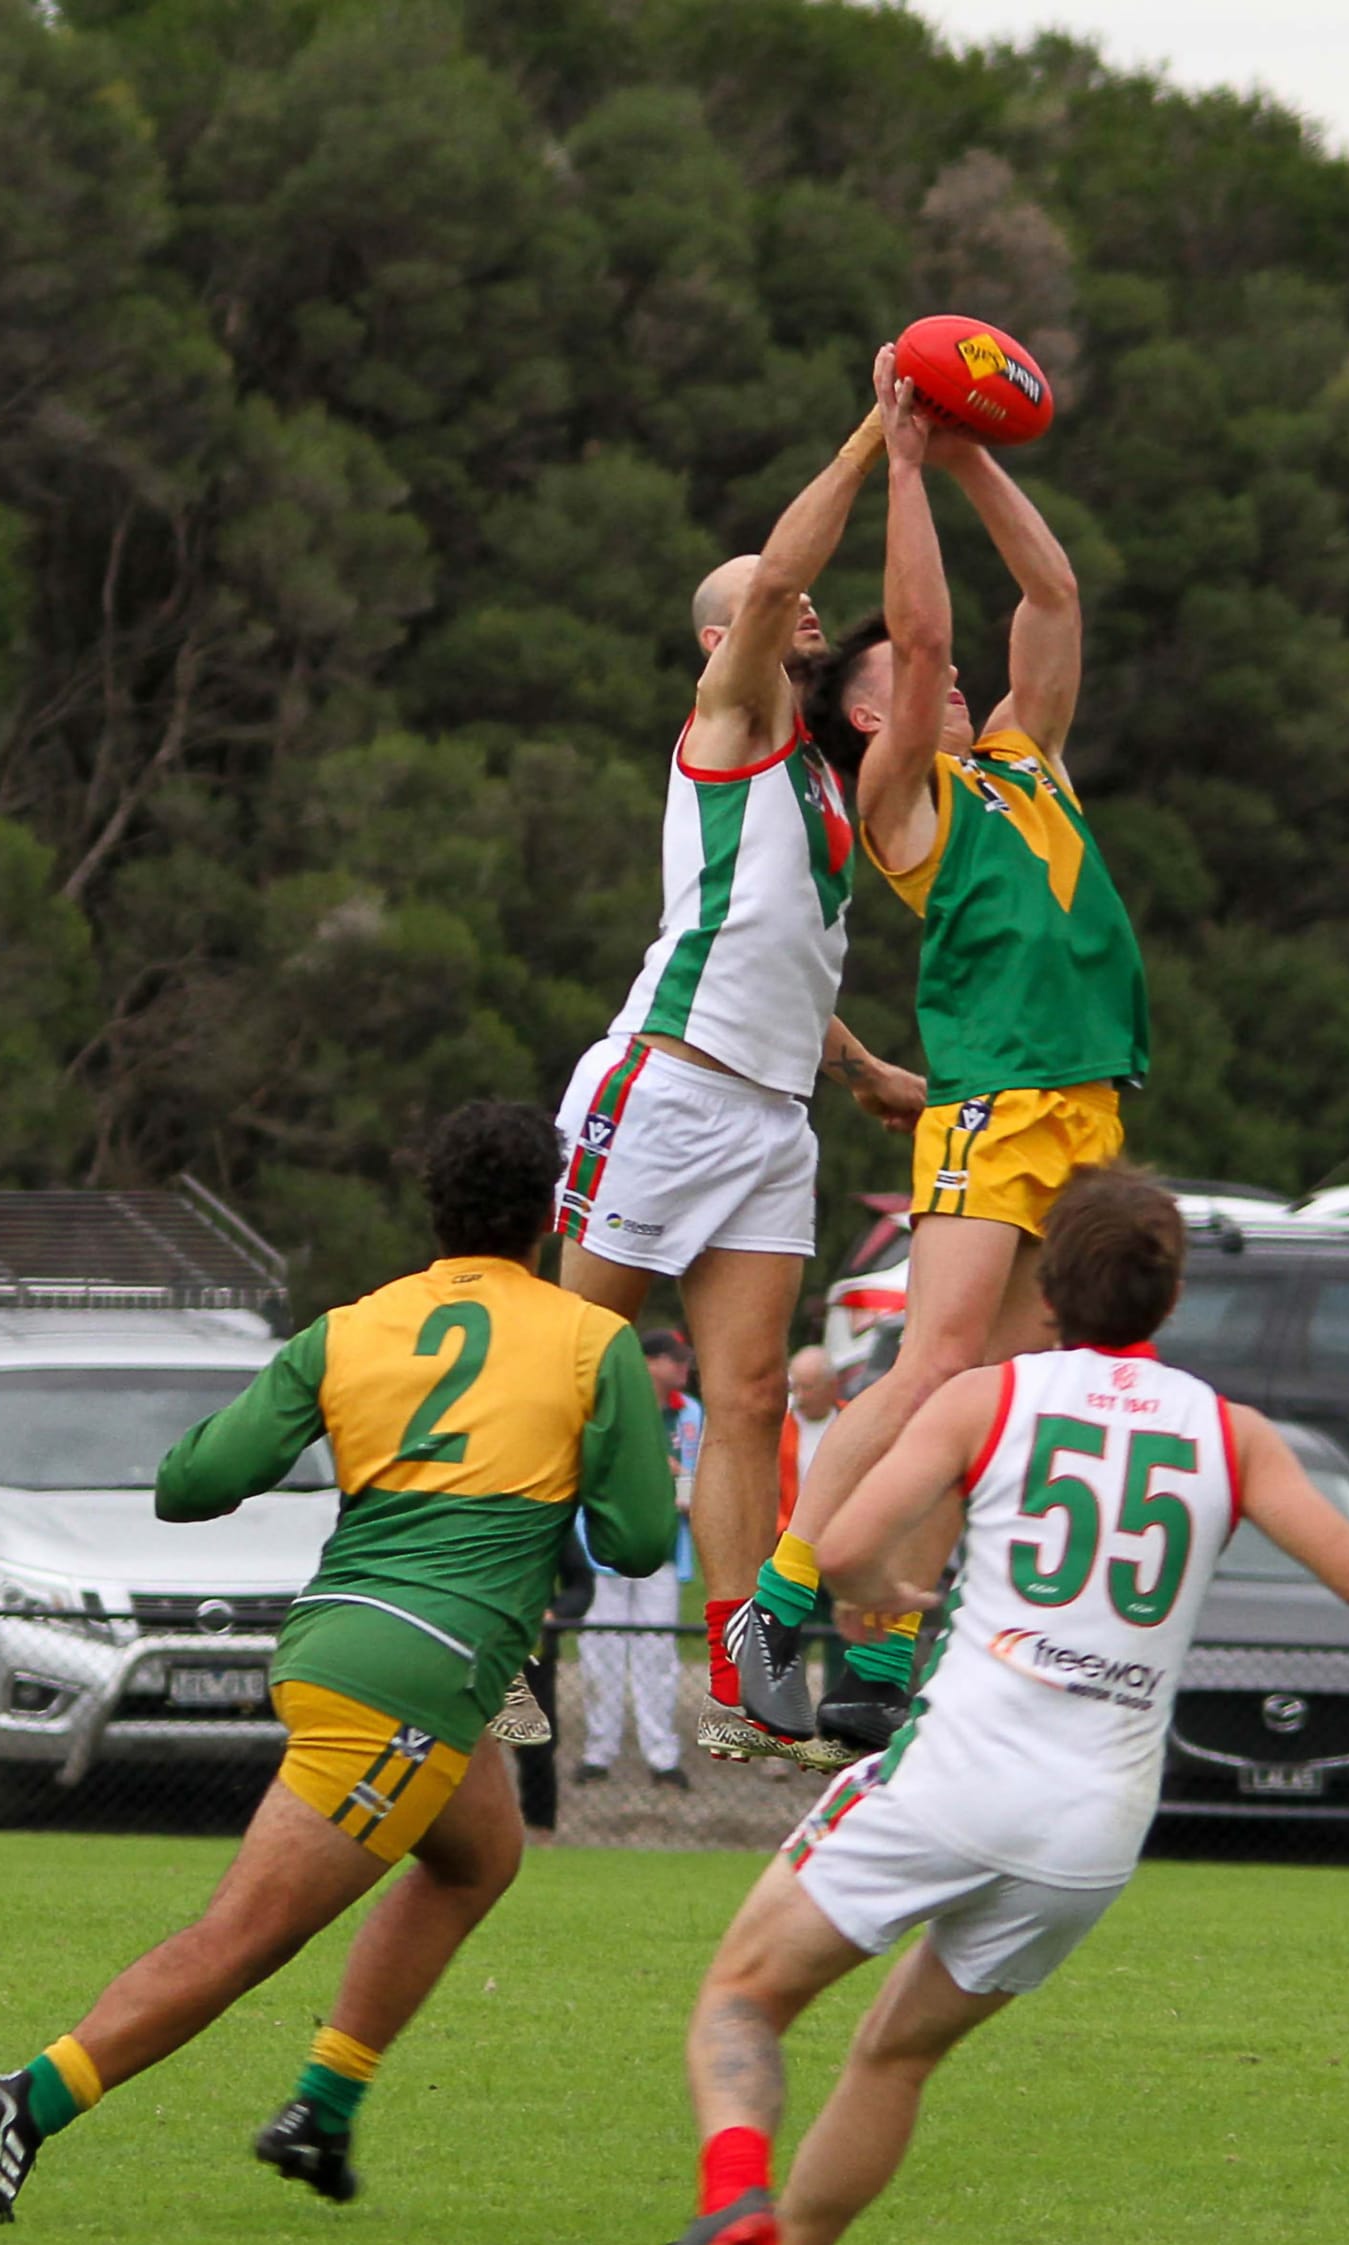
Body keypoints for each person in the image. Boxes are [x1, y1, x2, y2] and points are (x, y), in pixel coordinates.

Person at [612, 1168, 1349, 2245]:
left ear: (1044, 1287)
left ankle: (732, 2192)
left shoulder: (989, 1398)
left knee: (742, 1997)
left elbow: (840, 1544)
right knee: (896, 2052)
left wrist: (872, 1587)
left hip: (953, 1776)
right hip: (1090, 1828)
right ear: (1170, 1292)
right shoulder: (1226, 1432)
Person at [0, 1102, 675, 2223]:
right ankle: (27, 2098)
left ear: (432, 1209)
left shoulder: (349, 1328)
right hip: (420, 1670)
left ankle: (324, 2105)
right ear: (554, 1208)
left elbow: (189, 1482)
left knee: (478, 1856)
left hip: (340, 1637)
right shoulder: (592, 1340)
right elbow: (633, 1543)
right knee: (243, 1936)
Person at [726, 345, 1148, 1763]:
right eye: (917, 681)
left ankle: (882, 1653)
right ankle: (779, 1603)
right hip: (1001, 1103)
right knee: (930, 1369)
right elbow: (918, 643)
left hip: (1086, 1103)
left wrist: (972, 457)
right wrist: (902, 468)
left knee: (1005, 1390)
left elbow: (1054, 596)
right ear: (865, 721)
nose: (955, 677)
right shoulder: (904, 798)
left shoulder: (1028, 761)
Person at [552, 402, 925, 1764]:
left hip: (770, 1114)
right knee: (567, 1368)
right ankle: (481, 1606)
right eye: (790, 607)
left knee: (753, 1396)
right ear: (728, 642)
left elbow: (780, 948)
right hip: (667, 1087)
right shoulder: (729, 719)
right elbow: (772, 579)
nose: (811, 613)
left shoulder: (820, 783)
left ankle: (739, 1671)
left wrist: (865, 1063)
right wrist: (875, 437)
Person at [576, 1331, 701, 1789]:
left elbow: (696, 1483)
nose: (685, 1369)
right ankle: (598, 1751)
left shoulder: (689, 1414)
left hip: (662, 1550)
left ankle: (662, 1755)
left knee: (657, 1652)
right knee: (599, 1651)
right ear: (649, 1363)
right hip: (603, 1550)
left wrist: (677, 1478)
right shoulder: (607, 1403)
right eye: (677, 1360)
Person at [777, 1343, 840, 1531]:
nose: (799, 1396)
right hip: (792, 1537)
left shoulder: (854, 1420)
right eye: (794, 1387)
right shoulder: (778, 1432)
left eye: (808, 1388)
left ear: (831, 1387)